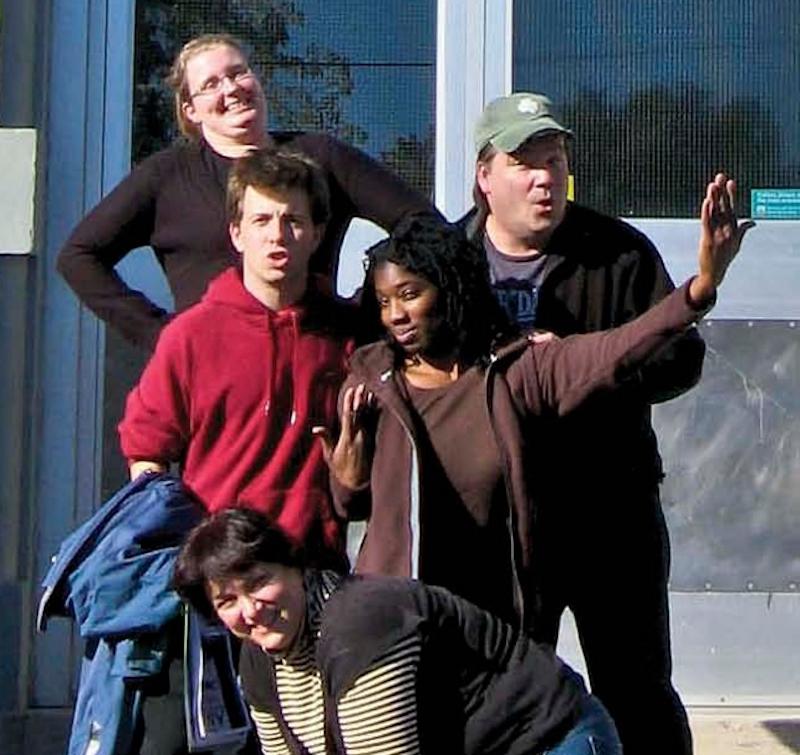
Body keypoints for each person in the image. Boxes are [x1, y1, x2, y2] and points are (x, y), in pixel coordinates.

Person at [316, 175, 749, 656]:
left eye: (410, 295)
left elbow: (620, 350)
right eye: (383, 302)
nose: (395, 314)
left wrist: (701, 287)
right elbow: (352, 505)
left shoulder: (515, 372)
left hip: (497, 620)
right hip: (403, 621)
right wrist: (348, 473)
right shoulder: (372, 382)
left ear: (449, 288)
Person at [462, 92, 753, 754]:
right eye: (526, 162)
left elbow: (681, 363)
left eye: (555, 159)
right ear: (485, 175)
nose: (545, 178)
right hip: (501, 520)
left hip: (611, 512)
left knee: (637, 688)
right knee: (504, 686)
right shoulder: (452, 259)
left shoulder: (617, 252)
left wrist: (585, 370)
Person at [117, 148, 355, 754]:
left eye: (294, 221)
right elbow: (146, 450)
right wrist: (190, 552)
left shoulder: (345, 334)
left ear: (317, 234)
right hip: (220, 590)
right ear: (235, 232)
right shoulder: (193, 334)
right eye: (262, 220)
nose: (279, 235)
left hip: (313, 577)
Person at [57, 33, 438, 351]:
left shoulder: (321, 157)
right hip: (213, 372)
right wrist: (159, 333)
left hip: (315, 360)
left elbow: (421, 225)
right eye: (211, 84)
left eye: (239, 73)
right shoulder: (166, 176)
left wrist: (370, 307)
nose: (232, 89)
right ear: (190, 110)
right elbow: (78, 256)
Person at [173, 507, 623, 755]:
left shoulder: (359, 622)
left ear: (295, 566)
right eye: (227, 601)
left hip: (547, 739)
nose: (251, 610)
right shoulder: (258, 660)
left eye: (258, 583)